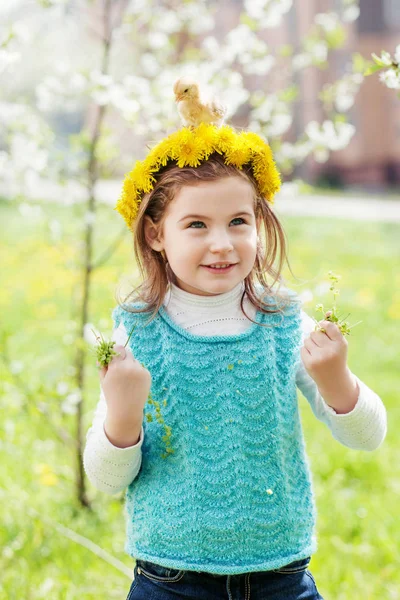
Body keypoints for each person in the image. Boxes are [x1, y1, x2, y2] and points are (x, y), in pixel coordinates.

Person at [83, 109, 387, 600]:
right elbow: (107, 479)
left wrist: (337, 381)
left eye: (238, 222)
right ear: (156, 234)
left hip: (281, 578)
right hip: (170, 580)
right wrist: (123, 413)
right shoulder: (138, 333)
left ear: (259, 223)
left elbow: (369, 438)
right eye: (197, 224)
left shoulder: (282, 320)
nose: (222, 244)